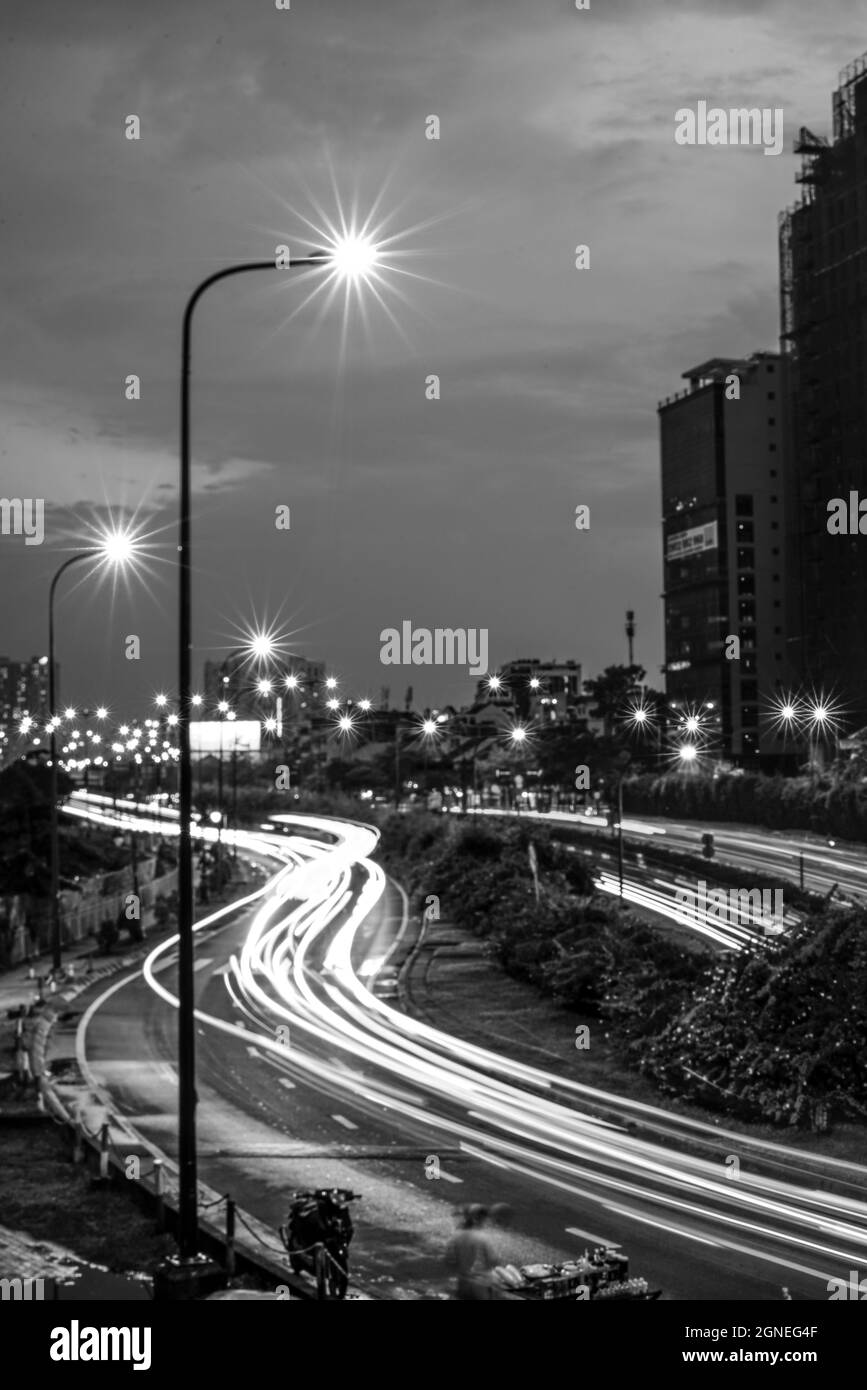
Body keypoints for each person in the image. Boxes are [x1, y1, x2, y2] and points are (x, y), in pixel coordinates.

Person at [444, 1205, 497, 1300]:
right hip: (481, 1283)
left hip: (463, 1282)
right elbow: (492, 1260)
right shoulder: (482, 1237)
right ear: (480, 1220)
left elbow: (449, 1260)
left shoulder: (456, 1236)